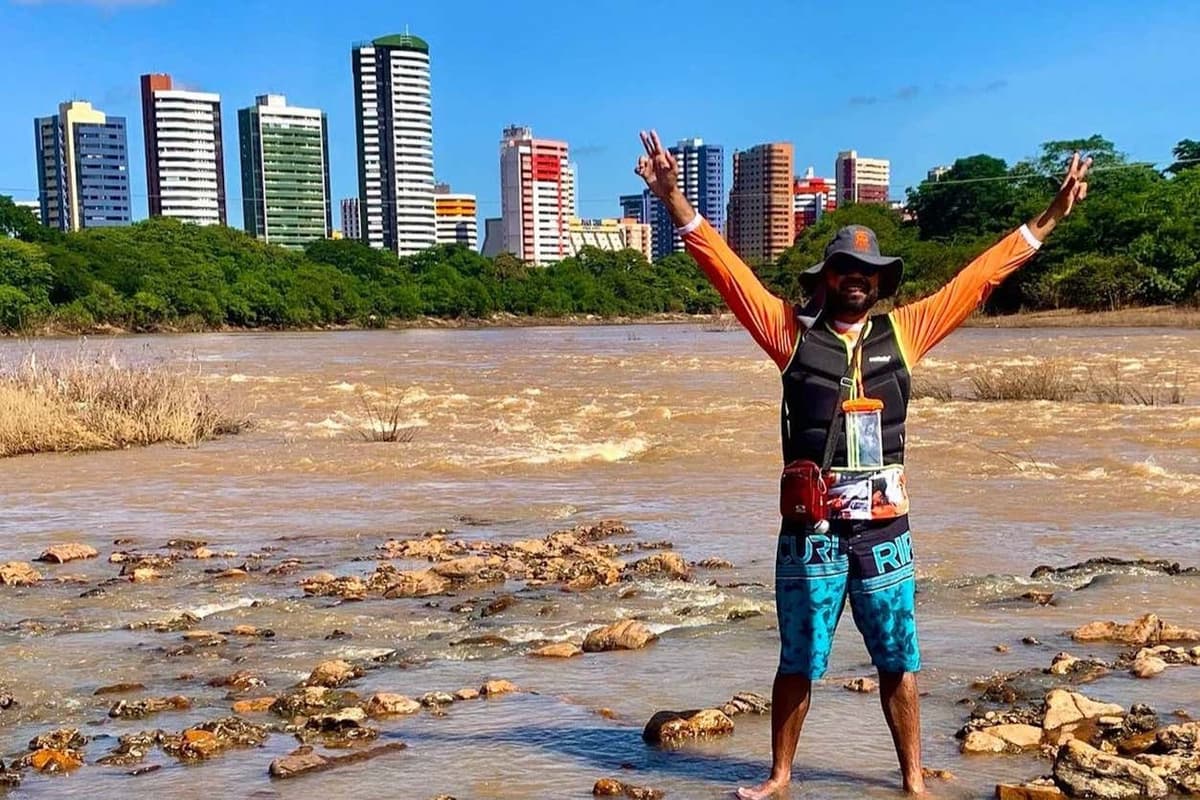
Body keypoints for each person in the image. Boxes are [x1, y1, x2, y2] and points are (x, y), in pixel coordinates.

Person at [634, 130, 1091, 798]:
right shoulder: (788, 333)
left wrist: (1047, 219)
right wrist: (673, 197)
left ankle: (912, 780)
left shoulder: (906, 332)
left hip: (885, 535)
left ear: (879, 283)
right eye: (845, 269)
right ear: (828, 278)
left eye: (867, 272)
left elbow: (980, 278)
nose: (856, 279)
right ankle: (780, 776)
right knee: (798, 661)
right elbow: (727, 273)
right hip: (811, 535)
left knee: (899, 661)